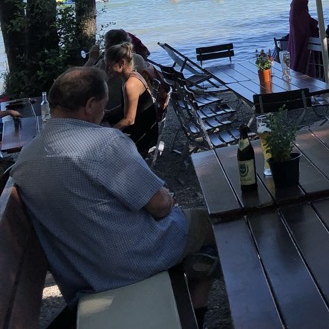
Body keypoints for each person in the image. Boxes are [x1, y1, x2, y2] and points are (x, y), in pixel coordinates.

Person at [11, 67, 216, 320]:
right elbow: (160, 206)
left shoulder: (24, 160)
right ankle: (196, 311)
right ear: (89, 105)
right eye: (104, 105)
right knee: (213, 224)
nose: (105, 113)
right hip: (134, 262)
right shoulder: (106, 143)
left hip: (81, 273)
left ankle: (191, 297)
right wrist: (166, 197)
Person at [103, 41, 158, 156]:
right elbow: (130, 104)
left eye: (108, 65)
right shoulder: (131, 76)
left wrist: (109, 134)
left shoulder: (130, 85)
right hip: (141, 126)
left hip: (143, 135)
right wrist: (110, 112)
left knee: (102, 140)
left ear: (121, 63)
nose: (106, 69)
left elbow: (129, 120)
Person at [288, 0, 319, 74]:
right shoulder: (303, 15)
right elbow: (312, 24)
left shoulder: (293, 14)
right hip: (302, 43)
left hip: (295, 42)